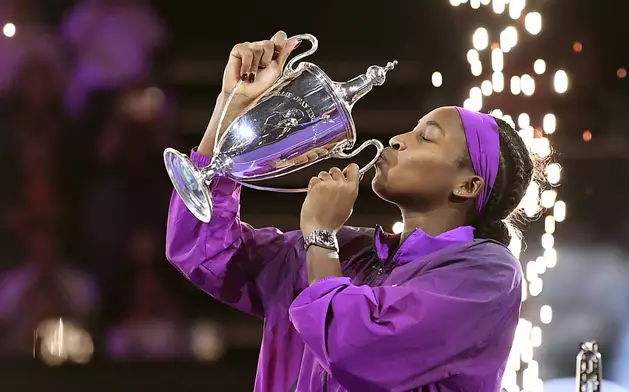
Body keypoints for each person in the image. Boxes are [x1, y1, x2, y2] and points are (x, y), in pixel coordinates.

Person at [166, 31, 536, 392]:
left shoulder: (487, 274)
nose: (398, 139)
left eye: (426, 137)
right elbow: (203, 250)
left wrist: (321, 237)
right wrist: (232, 109)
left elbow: (359, 349)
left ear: (468, 185)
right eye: (412, 129)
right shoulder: (352, 249)